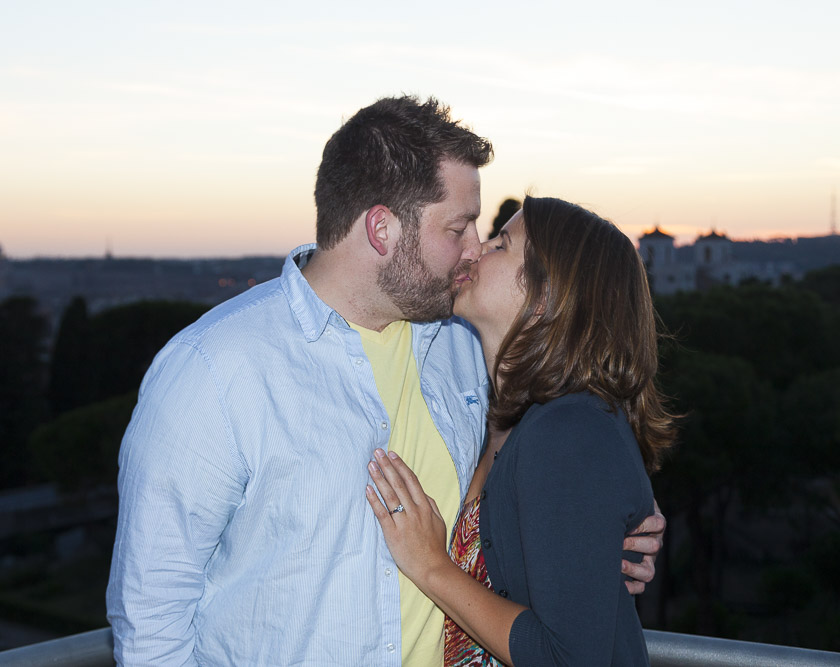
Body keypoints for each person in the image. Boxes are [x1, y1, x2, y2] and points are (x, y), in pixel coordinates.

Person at [106, 98, 664, 666]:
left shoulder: (465, 346)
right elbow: (151, 620)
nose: (474, 247)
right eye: (459, 227)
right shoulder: (214, 371)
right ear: (381, 229)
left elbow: (531, 482)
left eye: (487, 233)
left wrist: (602, 540)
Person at [366, 196, 677, 666]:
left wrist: (430, 566)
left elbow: (568, 657)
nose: (475, 249)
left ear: (546, 295)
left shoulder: (568, 435)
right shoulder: (499, 418)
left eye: (501, 245)